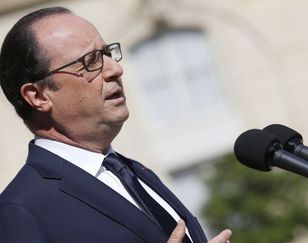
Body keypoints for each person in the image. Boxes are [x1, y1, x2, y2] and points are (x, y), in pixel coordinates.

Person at [0, 7, 231, 243]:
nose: (115, 69)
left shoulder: (135, 172)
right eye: (90, 61)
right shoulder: (20, 210)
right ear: (38, 96)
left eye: (107, 53)